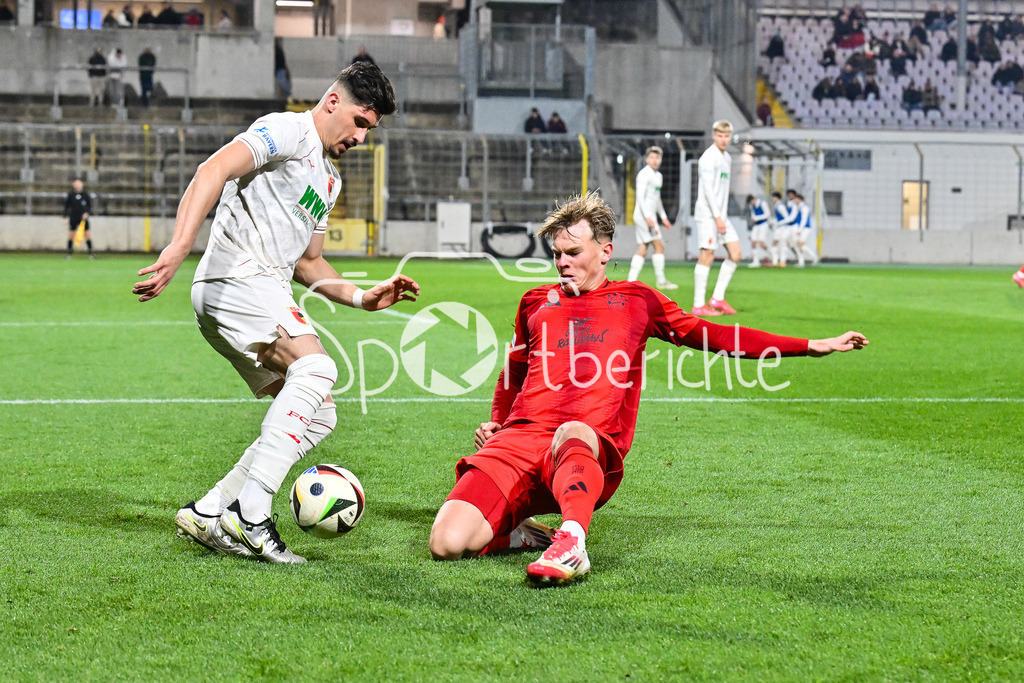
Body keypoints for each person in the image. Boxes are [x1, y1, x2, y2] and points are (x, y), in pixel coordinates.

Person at [427, 191, 869, 585]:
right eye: (557, 253)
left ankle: (572, 542)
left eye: (572, 252)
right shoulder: (535, 301)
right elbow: (514, 369)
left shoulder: (639, 300)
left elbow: (713, 336)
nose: (562, 262)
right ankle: (521, 535)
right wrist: (498, 422)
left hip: (582, 447)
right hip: (519, 440)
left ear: (604, 252)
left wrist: (809, 346)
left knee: (573, 431)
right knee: (446, 543)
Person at [133, 63, 419, 564]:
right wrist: (179, 246)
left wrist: (363, 297)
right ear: (332, 101)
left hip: (253, 288)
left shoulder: (327, 181)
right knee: (318, 368)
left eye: (368, 130)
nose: (359, 136)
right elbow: (213, 169)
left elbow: (309, 263)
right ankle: (252, 515)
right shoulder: (287, 130)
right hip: (238, 277)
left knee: (319, 412)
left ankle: (210, 510)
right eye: (358, 121)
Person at [692, 120, 741, 317]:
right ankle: (698, 305)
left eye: (726, 136)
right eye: (720, 135)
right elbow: (709, 191)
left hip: (721, 215)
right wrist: (717, 217)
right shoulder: (708, 158)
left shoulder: (727, 158)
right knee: (707, 254)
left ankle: (717, 298)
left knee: (736, 253)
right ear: (714, 135)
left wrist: (722, 216)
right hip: (707, 214)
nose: (723, 139)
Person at [627, 146, 676, 290]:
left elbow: (657, 199)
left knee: (643, 247)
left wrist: (664, 217)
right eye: (652, 157)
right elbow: (640, 198)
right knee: (659, 246)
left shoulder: (658, 176)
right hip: (643, 216)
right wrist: (648, 217)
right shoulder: (643, 175)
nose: (655, 160)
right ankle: (661, 281)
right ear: (647, 159)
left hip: (650, 217)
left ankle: (631, 282)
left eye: (658, 158)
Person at [64, 178, 94, 259]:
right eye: (76, 183)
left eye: (79, 183)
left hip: (83, 218)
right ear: (74, 185)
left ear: (82, 184)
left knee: (87, 235)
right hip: (73, 217)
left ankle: (91, 254)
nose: (78, 185)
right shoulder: (71, 195)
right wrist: (65, 217)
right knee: (71, 235)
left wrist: (87, 213)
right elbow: (67, 207)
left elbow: (89, 206)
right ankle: (69, 254)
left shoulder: (85, 194)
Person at [769, 190, 796, 267]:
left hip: (783, 227)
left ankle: (782, 261)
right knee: (775, 242)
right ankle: (775, 261)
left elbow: (786, 217)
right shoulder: (777, 205)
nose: (772, 199)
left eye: (773, 197)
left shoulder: (780, 206)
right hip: (779, 227)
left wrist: (777, 223)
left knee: (783, 243)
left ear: (777, 198)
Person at [790, 192, 819, 267]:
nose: (794, 201)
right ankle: (801, 261)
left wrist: (799, 230)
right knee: (797, 245)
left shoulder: (804, 208)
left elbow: (804, 219)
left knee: (800, 244)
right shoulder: (799, 207)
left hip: (805, 228)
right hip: (801, 228)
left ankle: (814, 256)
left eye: (795, 199)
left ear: (799, 199)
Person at [746, 195, 771, 268]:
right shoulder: (752, 206)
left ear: (754, 199)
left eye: (751, 202)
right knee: (753, 242)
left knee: (761, 243)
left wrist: (757, 218)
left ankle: (772, 256)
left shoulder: (763, 203)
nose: (751, 204)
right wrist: (753, 219)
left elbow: (767, 214)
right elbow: (753, 214)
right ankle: (755, 261)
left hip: (763, 224)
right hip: (756, 225)